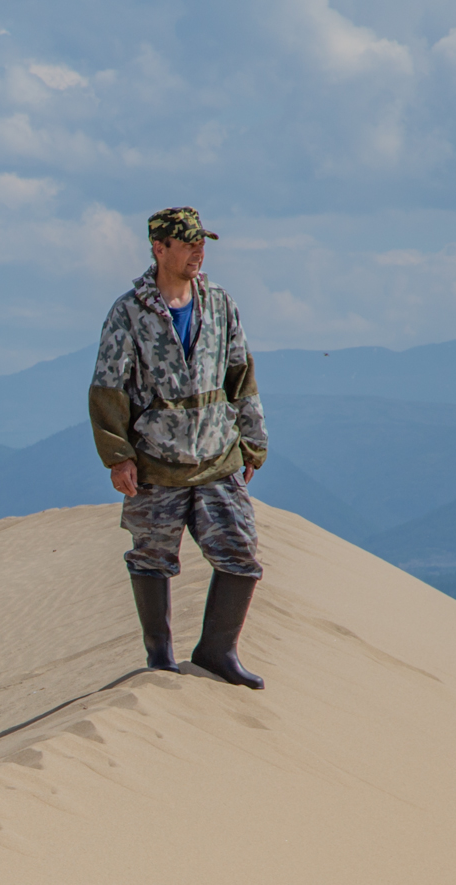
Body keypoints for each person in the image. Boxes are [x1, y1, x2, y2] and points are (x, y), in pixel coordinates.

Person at [88, 206, 268, 689]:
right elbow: (108, 387)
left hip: (217, 457)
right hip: (156, 461)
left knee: (241, 556)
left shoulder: (220, 305)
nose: (197, 251)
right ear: (159, 248)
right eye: (186, 242)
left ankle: (217, 651)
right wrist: (118, 456)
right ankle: (160, 657)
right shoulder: (129, 312)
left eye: (201, 242)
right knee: (151, 558)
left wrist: (253, 440)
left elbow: (240, 376)